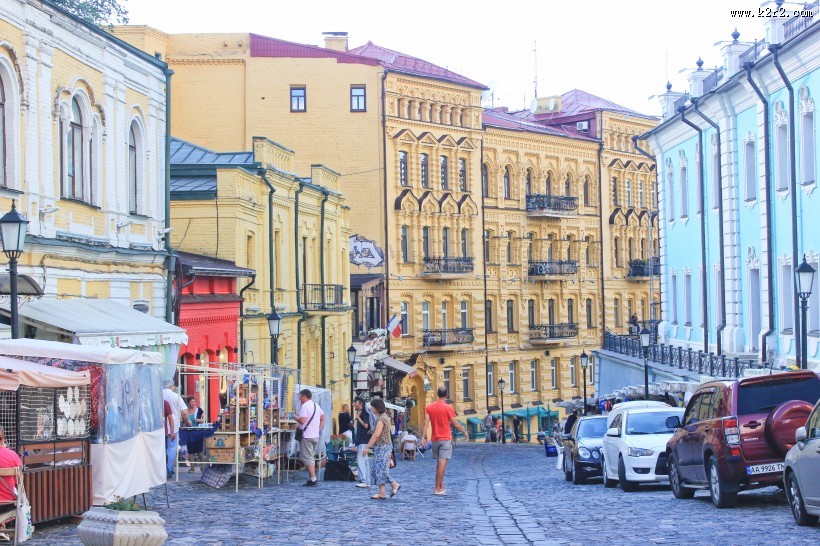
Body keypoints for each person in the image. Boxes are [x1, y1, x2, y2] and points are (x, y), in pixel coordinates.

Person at [420, 386, 468, 496]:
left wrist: (423, 437)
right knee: (442, 463)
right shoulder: (448, 408)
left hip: (435, 439)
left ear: (437, 394)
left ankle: (440, 486)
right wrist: (464, 432)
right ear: (446, 395)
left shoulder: (429, 407)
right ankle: (437, 488)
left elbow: (426, 423)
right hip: (445, 438)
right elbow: (455, 424)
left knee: (439, 463)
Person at [364, 398, 401, 500]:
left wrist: (367, 446)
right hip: (381, 446)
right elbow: (377, 430)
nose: (371, 408)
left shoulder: (381, 418)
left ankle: (394, 484)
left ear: (376, 408)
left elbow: (377, 434)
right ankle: (382, 493)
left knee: (382, 469)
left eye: (372, 407)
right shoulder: (381, 417)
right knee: (378, 468)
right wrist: (371, 430)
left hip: (383, 446)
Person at [296, 388, 325, 487]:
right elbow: (323, 417)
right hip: (315, 435)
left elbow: (302, 420)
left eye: (300, 396)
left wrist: (294, 417)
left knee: (307, 458)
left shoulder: (305, 406)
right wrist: (319, 428)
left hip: (307, 436)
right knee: (310, 457)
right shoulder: (316, 405)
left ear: (304, 396)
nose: (299, 398)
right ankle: (311, 477)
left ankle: (313, 479)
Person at [162, 380, 188, 478]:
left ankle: (162, 469)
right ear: (171, 386)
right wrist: (187, 421)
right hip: (173, 426)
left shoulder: (158, 395)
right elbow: (184, 412)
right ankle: (169, 468)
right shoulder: (175, 396)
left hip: (160, 427)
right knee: (172, 448)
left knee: (161, 448)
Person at [0, 426, 22, 540]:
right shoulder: (12, 455)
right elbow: (20, 481)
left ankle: (2, 529)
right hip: (9, 503)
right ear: (3, 438)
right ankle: (2, 528)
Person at [353, 397, 372, 488]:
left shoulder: (364, 412)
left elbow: (366, 426)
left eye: (355, 402)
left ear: (360, 403)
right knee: (365, 460)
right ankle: (367, 481)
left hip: (363, 439)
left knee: (360, 459)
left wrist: (358, 418)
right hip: (363, 439)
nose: (353, 404)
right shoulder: (362, 412)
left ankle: (363, 480)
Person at [183, 395, 205, 471]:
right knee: (190, 451)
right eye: (191, 402)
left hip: (198, 432)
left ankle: (202, 465)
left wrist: (197, 420)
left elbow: (204, 419)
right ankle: (192, 467)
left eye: (194, 401)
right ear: (188, 403)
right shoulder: (186, 411)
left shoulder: (199, 410)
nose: (193, 403)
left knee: (199, 450)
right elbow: (184, 421)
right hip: (189, 432)